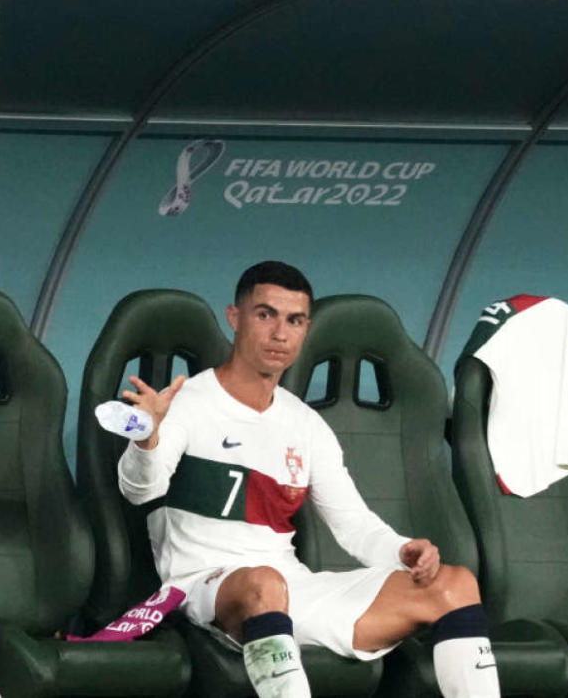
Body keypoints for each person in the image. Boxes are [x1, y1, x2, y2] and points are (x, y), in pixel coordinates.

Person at [118, 261, 499, 698]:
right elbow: (139, 491)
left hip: (289, 586)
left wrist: (402, 549)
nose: (280, 333)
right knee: (263, 582)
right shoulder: (187, 403)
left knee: (454, 583)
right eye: (266, 315)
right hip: (206, 583)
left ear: (306, 329)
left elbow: (353, 524)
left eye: (294, 320)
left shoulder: (306, 424)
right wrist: (146, 439)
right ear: (235, 317)